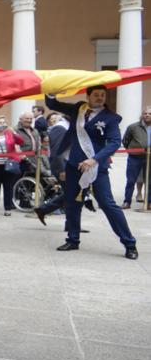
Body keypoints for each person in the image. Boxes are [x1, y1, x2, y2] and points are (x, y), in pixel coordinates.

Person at [45, 87, 138, 259]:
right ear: (88, 96)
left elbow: (115, 142)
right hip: (74, 165)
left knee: (107, 204)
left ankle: (130, 243)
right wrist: (52, 89)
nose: (100, 98)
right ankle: (73, 239)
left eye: (102, 95)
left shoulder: (110, 117)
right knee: (73, 203)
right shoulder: (78, 108)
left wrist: (95, 159)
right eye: (96, 95)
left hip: (96, 167)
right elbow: (52, 103)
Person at [121, 106, 151, 208]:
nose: (147, 115)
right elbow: (125, 140)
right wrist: (133, 149)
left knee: (150, 180)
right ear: (142, 115)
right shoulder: (133, 127)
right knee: (130, 180)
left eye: (149, 114)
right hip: (135, 157)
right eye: (145, 113)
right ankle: (127, 201)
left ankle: (149, 202)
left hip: (149, 158)